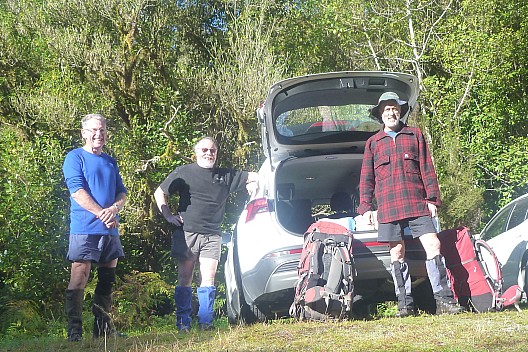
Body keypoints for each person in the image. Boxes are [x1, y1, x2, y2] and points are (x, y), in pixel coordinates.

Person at [357, 92, 464, 317]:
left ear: (400, 111)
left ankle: (444, 300)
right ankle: (405, 304)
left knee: (434, 245)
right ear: (380, 114)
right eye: (386, 109)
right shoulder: (372, 143)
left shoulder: (414, 135)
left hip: (417, 202)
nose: (391, 112)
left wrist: (433, 199)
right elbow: (366, 178)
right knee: (397, 252)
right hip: (388, 205)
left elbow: (427, 168)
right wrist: (366, 207)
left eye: (394, 108)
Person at [154, 136, 259, 331]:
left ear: (216, 153)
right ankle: (183, 322)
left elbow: (256, 175)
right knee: (185, 278)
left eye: (212, 150)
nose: (208, 153)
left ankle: (206, 322)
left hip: (213, 234)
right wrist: (168, 215)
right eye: (204, 150)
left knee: (208, 278)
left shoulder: (225, 175)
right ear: (196, 152)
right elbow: (159, 192)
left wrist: (251, 184)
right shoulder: (183, 172)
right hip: (187, 233)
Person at [62, 113, 127, 341]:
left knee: (107, 279)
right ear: (83, 133)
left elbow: (122, 192)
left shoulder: (110, 161)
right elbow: (77, 192)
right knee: (80, 276)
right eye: (93, 130)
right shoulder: (74, 158)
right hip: (84, 228)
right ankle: (75, 332)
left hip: (110, 229)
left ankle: (103, 329)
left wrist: (114, 210)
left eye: (102, 130)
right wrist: (102, 213)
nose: (98, 134)